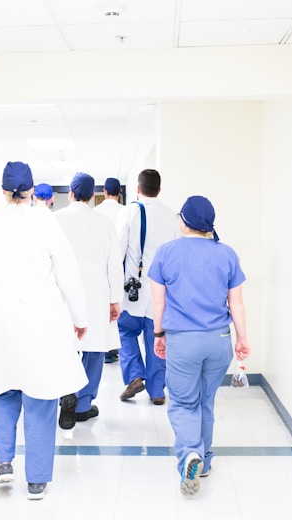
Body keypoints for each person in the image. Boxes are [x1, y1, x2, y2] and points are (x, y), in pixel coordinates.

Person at [0, 161, 88, 501]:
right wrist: (80, 317)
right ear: (31, 191)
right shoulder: (48, 224)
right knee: (41, 399)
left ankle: (4, 463)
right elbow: (68, 274)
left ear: (3, 192)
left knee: (2, 392)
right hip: (40, 325)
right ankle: (36, 480)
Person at [147, 195, 250, 496]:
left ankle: (190, 453)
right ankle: (203, 461)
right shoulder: (227, 254)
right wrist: (242, 338)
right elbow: (237, 303)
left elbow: (158, 303)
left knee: (182, 402)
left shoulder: (166, 253)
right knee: (206, 401)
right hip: (219, 341)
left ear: (185, 221)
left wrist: (158, 335)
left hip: (183, 341)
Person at [53, 173, 122, 429]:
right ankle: (82, 404)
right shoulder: (104, 223)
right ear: (94, 196)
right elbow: (115, 266)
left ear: (71, 193)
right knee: (93, 348)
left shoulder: (55, 220)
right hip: (96, 290)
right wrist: (115, 300)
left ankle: (64, 392)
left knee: (64, 344)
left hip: (62, 290)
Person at [115, 168, 181, 405]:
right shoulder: (172, 216)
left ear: (138, 189)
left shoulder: (130, 211)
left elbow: (118, 250)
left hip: (133, 290)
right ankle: (157, 391)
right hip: (161, 293)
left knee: (125, 332)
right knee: (157, 338)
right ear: (160, 189)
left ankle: (135, 375)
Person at [94, 177, 124, 364]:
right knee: (117, 308)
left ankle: (104, 349)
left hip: (99, 266)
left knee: (100, 308)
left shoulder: (96, 212)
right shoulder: (126, 211)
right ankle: (114, 348)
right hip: (118, 265)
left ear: (104, 191)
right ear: (119, 192)